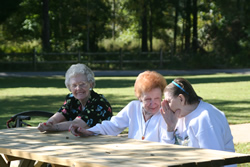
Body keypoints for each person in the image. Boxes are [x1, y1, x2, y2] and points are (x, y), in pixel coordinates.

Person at [69, 70, 168, 143]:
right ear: (140, 97)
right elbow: (112, 126)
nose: (153, 103)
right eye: (148, 99)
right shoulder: (133, 107)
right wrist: (88, 131)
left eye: (157, 98)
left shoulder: (165, 114)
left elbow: (167, 144)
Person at [161, 78, 235, 153]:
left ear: (181, 99)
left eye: (168, 101)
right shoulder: (178, 117)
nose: (166, 106)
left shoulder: (206, 118)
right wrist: (170, 128)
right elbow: (166, 153)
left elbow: (213, 158)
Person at [37, 63, 113, 132]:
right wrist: (48, 124)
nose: (78, 88)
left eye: (82, 84)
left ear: (91, 84)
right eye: (74, 85)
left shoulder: (99, 102)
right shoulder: (71, 99)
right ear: (69, 87)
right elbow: (58, 116)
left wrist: (52, 127)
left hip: (102, 143)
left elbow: (77, 123)